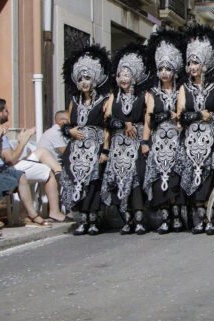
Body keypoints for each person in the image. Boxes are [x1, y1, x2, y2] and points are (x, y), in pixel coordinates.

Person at [0, 100, 66, 227]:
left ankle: (32, 214)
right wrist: (21, 142)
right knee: (44, 167)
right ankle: (59, 179)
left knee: (21, 175)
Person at [177, 24, 214, 235]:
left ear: (205, 64)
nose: (192, 67)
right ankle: (199, 219)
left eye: (196, 62)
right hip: (191, 142)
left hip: (213, 137)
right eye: (189, 63)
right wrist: (199, 115)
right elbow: (180, 115)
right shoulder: (183, 88)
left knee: (211, 177)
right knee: (195, 177)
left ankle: (211, 218)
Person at [61, 45, 111, 235]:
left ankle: (93, 218)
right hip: (76, 150)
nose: (84, 82)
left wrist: (105, 150)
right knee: (75, 181)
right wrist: (69, 130)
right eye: (81, 79)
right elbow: (67, 122)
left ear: (95, 80)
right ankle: (81, 217)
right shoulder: (74, 100)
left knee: (93, 183)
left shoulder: (104, 100)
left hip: (95, 148)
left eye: (87, 78)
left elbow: (107, 127)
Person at [101, 44, 150, 235]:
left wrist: (144, 141)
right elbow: (107, 120)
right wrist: (123, 124)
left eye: (127, 75)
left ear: (134, 77)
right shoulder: (113, 97)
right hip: (118, 146)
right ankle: (126, 218)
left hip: (136, 144)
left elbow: (148, 118)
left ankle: (139, 218)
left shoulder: (142, 96)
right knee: (120, 180)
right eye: (121, 75)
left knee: (136, 178)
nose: (123, 79)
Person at [142, 27, 184, 234]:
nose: (164, 73)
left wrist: (179, 119)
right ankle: (165, 218)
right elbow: (148, 118)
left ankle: (177, 217)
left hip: (176, 141)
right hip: (159, 142)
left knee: (174, 178)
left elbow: (185, 113)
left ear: (174, 70)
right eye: (161, 69)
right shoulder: (152, 93)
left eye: (168, 69)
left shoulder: (181, 91)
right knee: (160, 179)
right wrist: (145, 142)